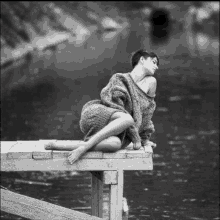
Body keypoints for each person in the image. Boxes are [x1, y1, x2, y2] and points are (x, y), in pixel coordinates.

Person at [68, 49, 159, 164]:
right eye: (154, 62)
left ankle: (65, 146)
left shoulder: (151, 82)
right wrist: (136, 137)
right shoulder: (120, 79)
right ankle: (85, 147)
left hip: (117, 128)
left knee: (115, 144)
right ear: (142, 59)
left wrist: (144, 139)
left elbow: (146, 114)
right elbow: (114, 107)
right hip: (97, 115)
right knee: (127, 118)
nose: (156, 67)